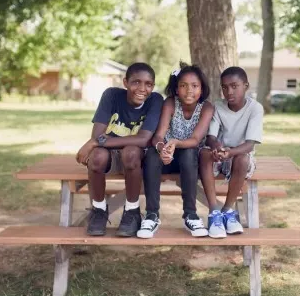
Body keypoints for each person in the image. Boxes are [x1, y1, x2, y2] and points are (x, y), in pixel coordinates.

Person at [76, 62, 163, 237]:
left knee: (130, 151)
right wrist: (97, 142)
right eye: (136, 82)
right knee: (97, 157)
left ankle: (132, 211)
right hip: (112, 155)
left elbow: (143, 139)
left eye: (148, 84)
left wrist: (94, 142)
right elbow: (98, 133)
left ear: (152, 86)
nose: (142, 88)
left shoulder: (155, 100)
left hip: (137, 158)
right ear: (125, 82)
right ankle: (99, 210)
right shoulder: (112, 96)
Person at [138, 62, 214, 239]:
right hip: (166, 157)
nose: (189, 90)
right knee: (151, 154)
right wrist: (161, 148)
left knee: (188, 154)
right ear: (176, 89)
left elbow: (195, 140)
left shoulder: (206, 108)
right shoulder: (170, 103)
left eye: (195, 86)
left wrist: (174, 143)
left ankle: (190, 215)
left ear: (202, 89)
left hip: (190, 161)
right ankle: (152, 215)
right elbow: (158, 136)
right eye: (183, 85)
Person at [199, 66, 263, 239]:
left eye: (234, 86)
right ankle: (214, 213)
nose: (229, 91)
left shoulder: (255, 109)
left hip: (239, 156)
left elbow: (249, 145)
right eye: (225, 87)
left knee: (242, 158)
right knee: (204, 154)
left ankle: (227, 210)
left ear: (246, 86)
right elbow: (210, 137)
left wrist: (230, 152)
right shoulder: (218, 106)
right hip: (220, 155)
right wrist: (216, 146)